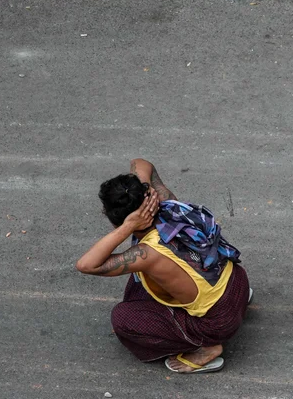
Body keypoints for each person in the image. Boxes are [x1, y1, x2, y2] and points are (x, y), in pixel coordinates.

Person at [76, 158, 251, 374]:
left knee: (123, 317)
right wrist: (144, 190)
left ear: (117, 221)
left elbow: (86, 265)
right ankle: (235, 303)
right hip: (238, 282)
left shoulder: (147, 254)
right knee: (140, 282)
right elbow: (140, 163)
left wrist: (128, 227)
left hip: (220, 322)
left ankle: (207, 348)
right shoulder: (169, 204)